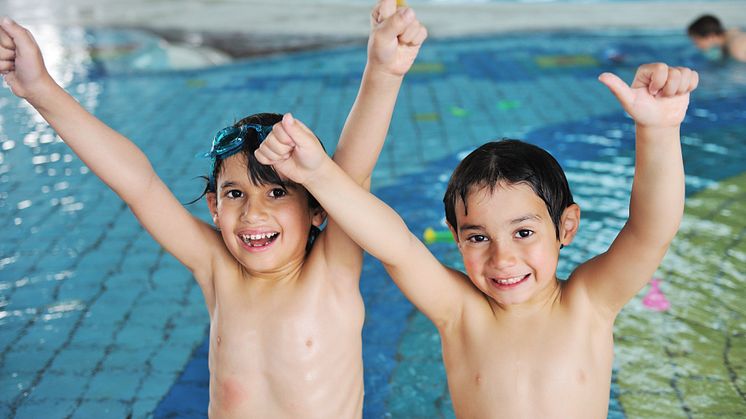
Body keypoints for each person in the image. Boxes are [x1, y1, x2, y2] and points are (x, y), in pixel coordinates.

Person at [0, 0, 427, 416]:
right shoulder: (217, 269)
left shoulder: (332, 271)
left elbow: (352, 172)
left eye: (277, 193)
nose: (252, 212)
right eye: (235, 193)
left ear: (319, 208)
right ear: (214, 207)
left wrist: (383, 71)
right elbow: (139, 186)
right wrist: (41, 90)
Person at [255, 62, 698, 418]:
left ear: (566, 227)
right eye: (478, 237)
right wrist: (317, 176)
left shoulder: (588, 303)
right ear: (456, 238)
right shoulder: (460, 312)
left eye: (524, 232)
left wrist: (658, 131)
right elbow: (397, 245)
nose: (503, 258)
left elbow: (649, 231)